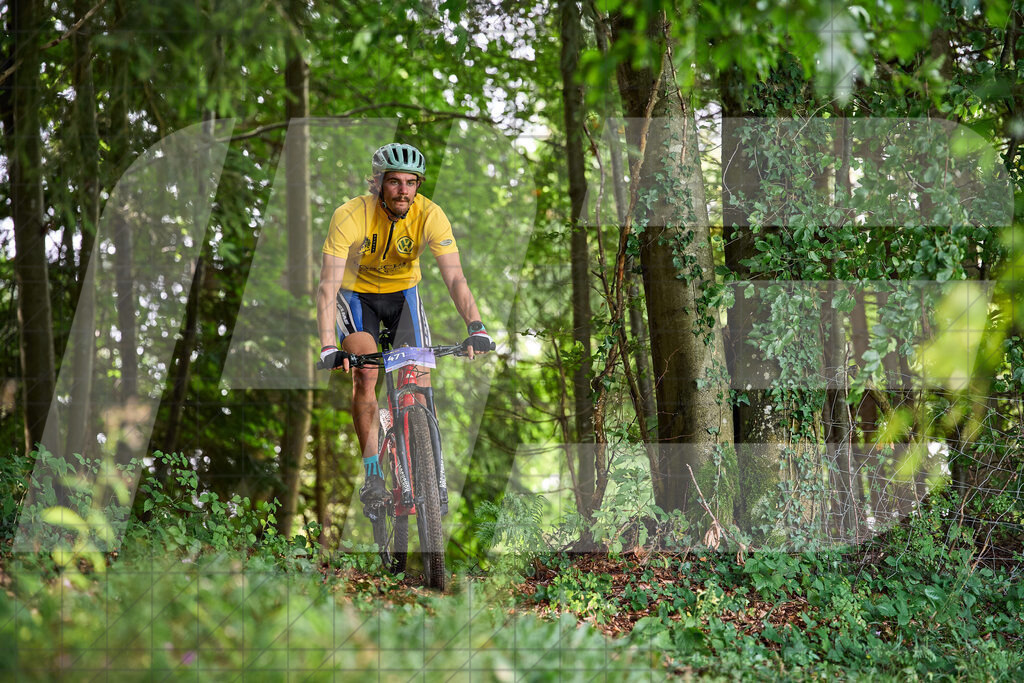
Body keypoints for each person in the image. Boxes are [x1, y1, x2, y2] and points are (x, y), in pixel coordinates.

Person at [315, 142, 493, 513]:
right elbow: (327, 286)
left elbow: (455, 276)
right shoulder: (350, 216)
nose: (403, 190)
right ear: (378, 183)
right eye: (394, 182)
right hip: (356, 296)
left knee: (420, 380)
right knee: (366, 375)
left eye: (411, 182)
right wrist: (328, 346)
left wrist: (475, 325)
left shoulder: (430, 215)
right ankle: (373, 474)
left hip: (403, 297)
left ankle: (430, 472)